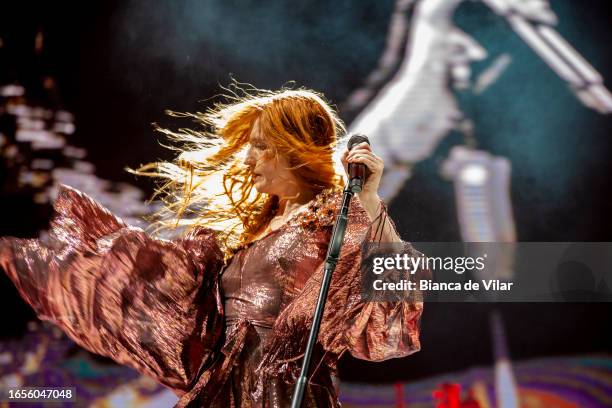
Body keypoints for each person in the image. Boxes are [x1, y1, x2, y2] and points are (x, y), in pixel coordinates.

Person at [0, 87, 428, 407]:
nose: (246, 161)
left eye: (259, 148)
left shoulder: (339, 217)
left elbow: (394, 294)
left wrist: (369, 204)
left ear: (292, 150)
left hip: (283, 393)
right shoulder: (249, 233)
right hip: (221, 390)